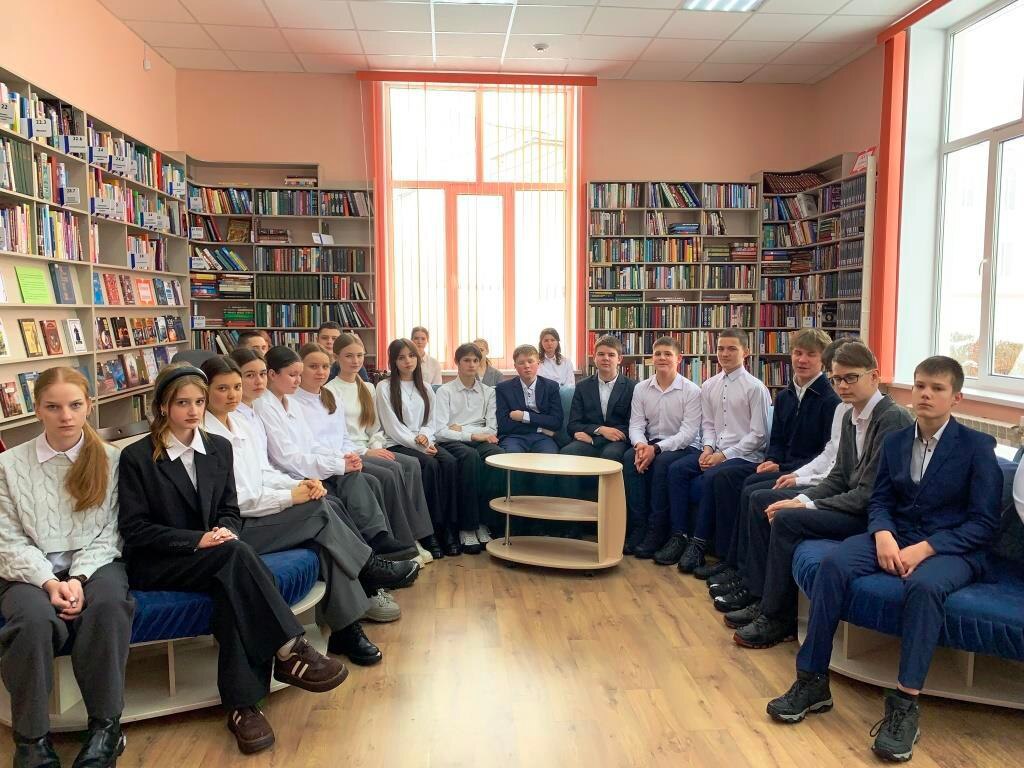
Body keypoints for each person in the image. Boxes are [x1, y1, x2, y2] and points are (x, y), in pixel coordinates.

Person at [767, 356, 1002, 764]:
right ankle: (812, 680)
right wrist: (883, 535)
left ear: (956, 398)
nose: (925, 394)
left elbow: (983, 524)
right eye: (920, 385)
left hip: (952, 547)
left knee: (924, 586)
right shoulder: (897, 441)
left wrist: (925, 549)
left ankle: (905, 705)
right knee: (833, 565)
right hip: (895, 535)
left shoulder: (977, 448)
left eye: (937, 388)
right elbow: (879, 501)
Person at [118, 364, 348, 755]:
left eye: (198, 402)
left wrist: (224, 532)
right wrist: (199, 540)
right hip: (160, 560)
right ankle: (289, 650)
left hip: (216, 555)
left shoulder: (218, 448)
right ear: (162, 407)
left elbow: (229, 510)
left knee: (233, 581)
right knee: (237, 561)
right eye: (182, 403)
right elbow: (135, 529)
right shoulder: (137, 456)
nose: (193, 410)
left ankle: (244, 708)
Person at [200, 356, 418, 667]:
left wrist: (301, 484)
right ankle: (369, 568)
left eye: (236, 386)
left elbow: (264, 472)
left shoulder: (241, 422)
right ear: (205, 390)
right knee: (319, 513)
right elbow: (240, 500)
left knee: (324, 532)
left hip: (262, 506)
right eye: (223, 388)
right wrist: (291, 496)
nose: (233, 394)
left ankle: (346, 628)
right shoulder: (209, 436)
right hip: (237, 527)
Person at [726, 341, 914, 647]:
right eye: (837, 379)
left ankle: (778, 618)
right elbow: (839, 475)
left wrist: (807, 506)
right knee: (779, 507)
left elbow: (868, 495)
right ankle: (764, 601)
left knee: (787, 520)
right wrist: (799, 499)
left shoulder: (891, 419)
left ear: (874, 376)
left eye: (851, 377)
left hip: (877, 519)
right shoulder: (851, 415)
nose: (842, 386)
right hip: (853, 506)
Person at [0, 367, 133, 768]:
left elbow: (113, 532)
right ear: (37, 409)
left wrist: (77, 578)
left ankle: (106, 729)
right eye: (53, 407)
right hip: (28, 572)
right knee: (32, 621)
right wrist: (47, 581)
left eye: (75, 405)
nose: (66, 416)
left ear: (89, 405)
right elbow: (7, 538)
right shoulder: (9, 465)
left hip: (95, 564)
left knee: (108, 607)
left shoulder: (111, 459)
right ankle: (32, 741)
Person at [706, 336, 852, 587]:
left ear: (824, 361)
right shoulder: (785, 395)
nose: (802, 360)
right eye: (797, 353)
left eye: (811, 354)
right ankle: (734, 561)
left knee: (753, 491)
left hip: (803, 471)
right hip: (783, 465)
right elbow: (777, 439)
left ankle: (748, 574)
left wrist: (786, 469)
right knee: (730, 478)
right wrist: (773, 458)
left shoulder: (832, 400)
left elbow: (826, 454)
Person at [255, 346, 411, 558]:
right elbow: (286, 458)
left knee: (356, 476)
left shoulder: (289, 401)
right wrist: (338, 464)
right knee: (351, 483)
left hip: (310, 465)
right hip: (293, 473)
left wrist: (342, 458)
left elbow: (311, 443)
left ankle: (379, 539)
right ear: (273, 374)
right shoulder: (264, 406)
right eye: (292, 375)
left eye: (299, 375)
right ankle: (371, 547)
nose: (298, 381)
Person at [292, 343, 432, 561]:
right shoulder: (294, 402)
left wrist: (352, 454)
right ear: (300, 368)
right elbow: (309, 446)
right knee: (384, 475)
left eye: (324, 366)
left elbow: (344, 436)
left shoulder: (329, 397)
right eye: (313, 366)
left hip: (347, 455)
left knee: (398, 469)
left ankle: (410, 539)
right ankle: (399, 542)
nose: (320, 372)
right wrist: (351, 456)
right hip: (326, 463)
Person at [657, 330, 770, 570]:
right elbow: (707, 425)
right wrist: (708, 448)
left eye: (732, 349)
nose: (725, 354)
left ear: (746, 352)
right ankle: (679, 536)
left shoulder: (755, 388)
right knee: (677, 469)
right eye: (720, 349)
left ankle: (699, 544)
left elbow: (759, 435)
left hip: (745, 456)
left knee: (712, 476)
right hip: (715, 451)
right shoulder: (709, 386)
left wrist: (724, 455)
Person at [376, 338, 462, 556]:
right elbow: (392, 426)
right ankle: (430, 531)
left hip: (424, 441)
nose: (408, 361)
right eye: (401, 357)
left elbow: (431, 421)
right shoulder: (384, 387)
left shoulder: (425, 387)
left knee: (450, 463)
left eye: (412, 356)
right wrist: (419, 444)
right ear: (393, 361)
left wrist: (425, 437)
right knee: (430, 466)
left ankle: (449, 528)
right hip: (398, 443)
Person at [625, 336, 703, 558]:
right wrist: (641, 445)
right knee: (629, 459)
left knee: (661, 463)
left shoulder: (691, 390)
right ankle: (638, 527)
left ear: (678, 359)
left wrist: (656, 450)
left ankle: (656, 531)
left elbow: (688, 433)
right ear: (652, 358)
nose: (662, 358)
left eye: (668, 354)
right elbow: (636, 425)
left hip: (684, 446)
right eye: (658, 353)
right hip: (651, 443)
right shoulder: (641, 388)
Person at [434, 342, 506, 554]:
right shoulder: (445, 391)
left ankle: (484, 522)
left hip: (476, 438)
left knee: (497, 455)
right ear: (457, 362)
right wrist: (471, 434)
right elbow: (440, 431)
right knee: (470, 457)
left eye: (475, 360)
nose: (472, 365)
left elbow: (492, 428)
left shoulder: (488, 392)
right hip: (452, 442)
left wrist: (462, 428)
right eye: (466, 360)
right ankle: (467, 527)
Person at [562, 334, 636, 464]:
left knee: (610, 455)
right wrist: (600, 430)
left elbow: (632, 426)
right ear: (594, 358)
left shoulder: (632, 387)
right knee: (568, 452)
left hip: (617, 442)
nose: (606, 358)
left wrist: (594, 440)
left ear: (619, 359)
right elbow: (573, 425)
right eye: (601, 354)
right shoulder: (582, 387)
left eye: (611, 355)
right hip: (588, 438)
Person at [495, 344, 563, 454]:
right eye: (521, 363)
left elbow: (556, 421)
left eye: (530, 361)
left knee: (548, 457)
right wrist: (540, 428)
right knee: (511, 456)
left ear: (538, 363)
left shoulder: (551, 387)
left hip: (542, 438)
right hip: (514, 437)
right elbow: (503, 425)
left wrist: (524, 416)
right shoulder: (503, 389)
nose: (526, 366)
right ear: (515, 366)